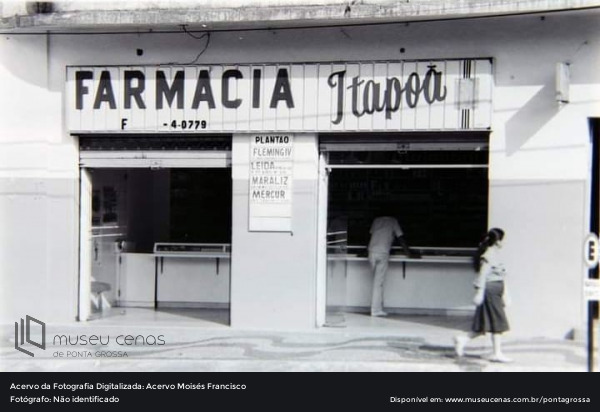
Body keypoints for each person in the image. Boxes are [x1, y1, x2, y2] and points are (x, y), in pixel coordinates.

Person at [453, 228, 512, 363]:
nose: (504, 243)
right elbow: (483, 275)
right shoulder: (489, 255)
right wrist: (479, 293)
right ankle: (497, 353)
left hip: (495, 291)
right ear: (497, 241)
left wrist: (506, 294)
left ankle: (462, 339)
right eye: (502, 240)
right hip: (490, 292)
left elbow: (501, 276)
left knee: (486, 323)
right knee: (497, 322)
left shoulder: (495, 254)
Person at [367, 215, 413, 317]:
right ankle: (375, 310)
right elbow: (400, 238)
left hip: (372, 252)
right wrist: (408, 253)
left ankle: (376, 307)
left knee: (375, 282)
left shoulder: (376, 220)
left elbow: (371, 235)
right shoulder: (393, 221)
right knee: (378, 283)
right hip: (383, 252)